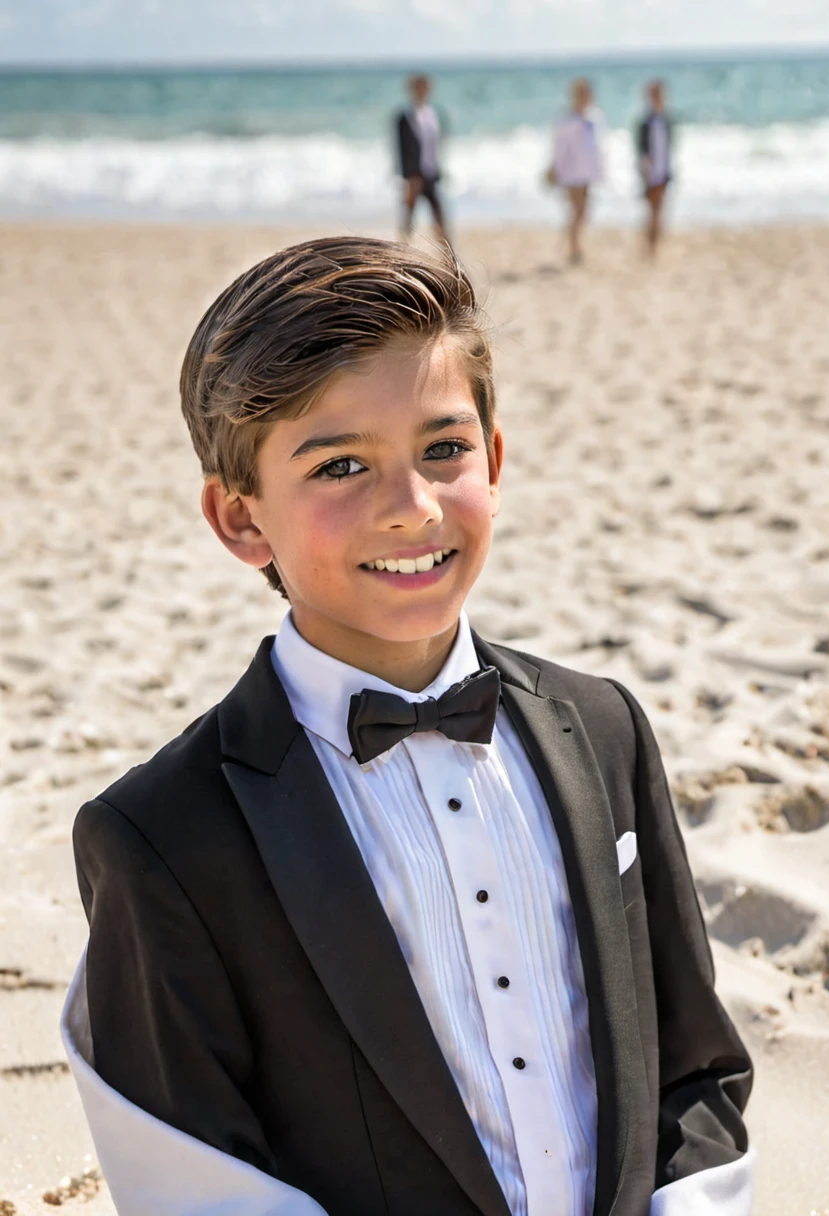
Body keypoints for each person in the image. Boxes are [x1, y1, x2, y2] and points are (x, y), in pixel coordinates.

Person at [62, 236, 755, 1216]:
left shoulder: (603, 728)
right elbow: (198, 1181)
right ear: (240, 519)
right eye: (340, 464)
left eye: (443, 448)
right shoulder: (162, 836)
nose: (411, 506)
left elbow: (694, 1066)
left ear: (495, 456)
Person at [549, 78, 604, 265]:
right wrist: (555, 168)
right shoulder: (566, 121)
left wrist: (599, 171)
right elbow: (558, 149)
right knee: (577, 211)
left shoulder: (593, 118)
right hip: (571, 174)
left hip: (586, 173)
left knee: (583, 211)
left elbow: (596, 148)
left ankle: (574, 245)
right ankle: (574, 248)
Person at [396, 74, 449, 246]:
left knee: (438, 213)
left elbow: (434, 145)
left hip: (431, 172)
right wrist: (408, 177)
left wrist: (439, 169)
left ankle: (447, 254)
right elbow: (402, 149)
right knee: (409, 215)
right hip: (414, 174)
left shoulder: (433, 114)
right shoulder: (405, 116)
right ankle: (403, 248)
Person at [637, 80, 673, 255]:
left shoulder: (665, 120)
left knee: (659, 209)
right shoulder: (646, 122)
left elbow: (669, 148)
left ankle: (653, 243)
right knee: (653, 210)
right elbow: (642, 150)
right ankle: (650, 244)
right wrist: (645, 171)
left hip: (663, 171)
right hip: (651, 172)